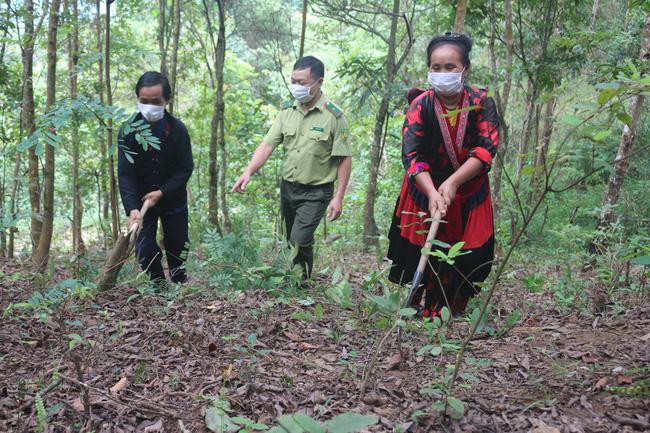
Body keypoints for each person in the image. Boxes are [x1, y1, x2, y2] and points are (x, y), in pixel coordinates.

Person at [387, 33, 499, 318]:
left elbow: (486, 150)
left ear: (465, 68)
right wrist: (433, 192)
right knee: (417, 249)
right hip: (424, 189)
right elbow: (411, 156)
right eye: (436, 67)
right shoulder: (420, 105)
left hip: (468, 191)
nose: (442, 73)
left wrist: (452, 182)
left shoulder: (482, 104)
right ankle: (415, 302)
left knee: (468, 253)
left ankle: (452, 309)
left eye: (450, 67)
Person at [232, 56, 352, 279]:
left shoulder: (334, 116)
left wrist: (339, 196)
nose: (296, 87)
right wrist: (248, 171)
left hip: (317, 190)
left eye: (302, 82)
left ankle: (299, 283)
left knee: (299, 239)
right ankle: (298, 279)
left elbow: (344, 158)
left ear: (319, 82)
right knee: (292, 239)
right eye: (293, 81)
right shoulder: (287, 111)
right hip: (288, 187)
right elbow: (267, 145)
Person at [118, 71, 194, 284]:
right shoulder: (128, 131)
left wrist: (162, 192)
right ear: (137, 99)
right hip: (142, 203)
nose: (149, 106)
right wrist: (132, 208)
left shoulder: (177, 130)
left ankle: (179, 283)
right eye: (144, 101)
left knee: (178, 246)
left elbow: (185, 168)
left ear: (166, 100)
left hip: (173, 199)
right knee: (145, 249)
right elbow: (125, 173)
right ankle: (159, 286)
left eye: (155, 101)